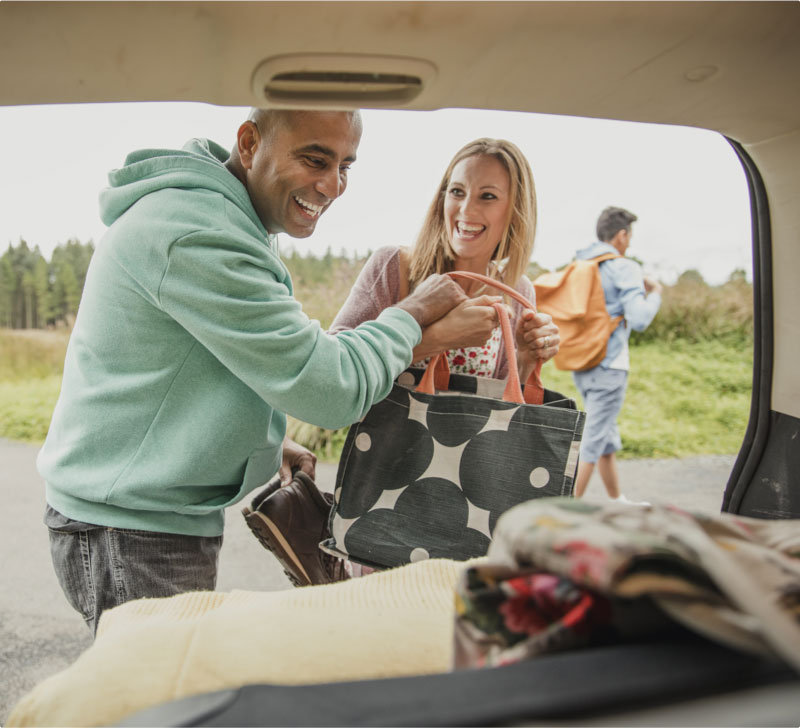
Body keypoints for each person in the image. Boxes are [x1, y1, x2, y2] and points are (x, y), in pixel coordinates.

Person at [38, 108, 487, 632]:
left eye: (346, 166)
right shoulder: (199, 233)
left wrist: (262, 443)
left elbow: (216, 362)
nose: (332, 185)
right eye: (315, 159)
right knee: (161, 706)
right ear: (249, 143)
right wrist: (411, 317)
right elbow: (329, 388)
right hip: (129, 530)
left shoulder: (230, 217)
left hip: (145, 517)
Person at [243, 137, 561, 585]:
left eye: (488, 196)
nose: (466, 209)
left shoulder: (517, 291)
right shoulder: (395, 269)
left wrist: (525, 360)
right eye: (456, 191)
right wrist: (432, 340)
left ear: (515, 210)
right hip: (387, 496)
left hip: (469, 510)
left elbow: (502, 414)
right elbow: (334, 373)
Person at [571, 206, 662, 504]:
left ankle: (616, 501)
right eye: (630, 236)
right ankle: (563, 510)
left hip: (582, 362)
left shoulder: (582, 264)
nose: (630, 243)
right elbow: (639, 319)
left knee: (605, 435)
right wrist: (655, 293)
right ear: (622, 235)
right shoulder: (625, 267)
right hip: (610, 364)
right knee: (594, 440)